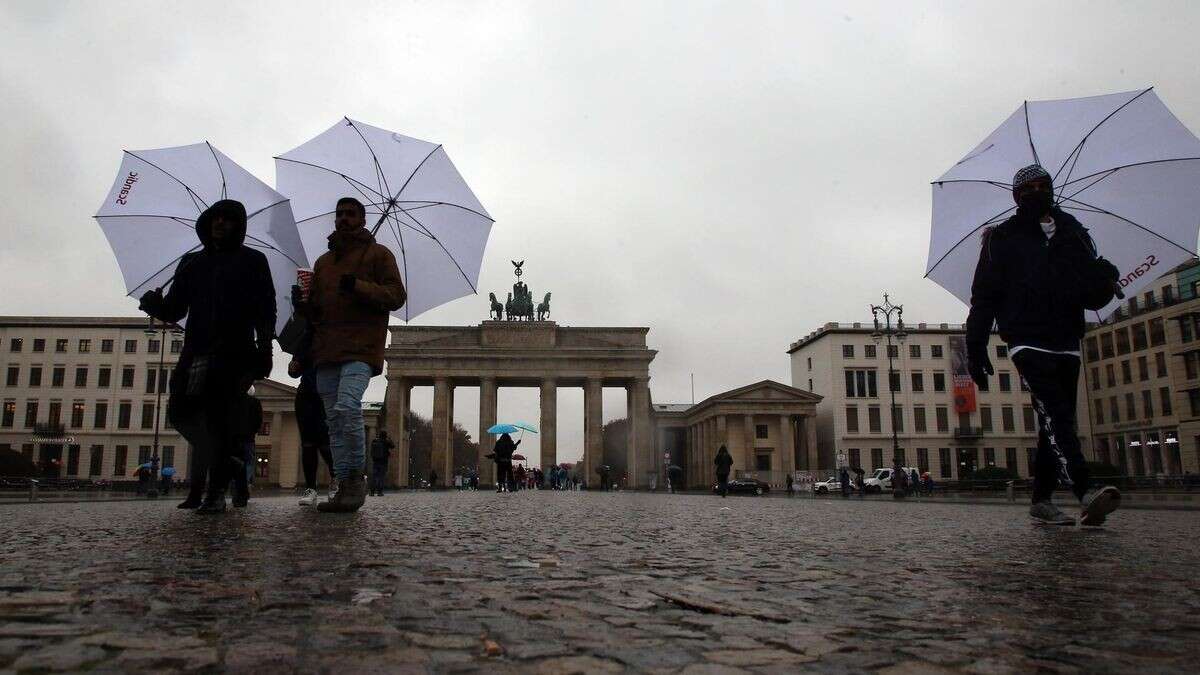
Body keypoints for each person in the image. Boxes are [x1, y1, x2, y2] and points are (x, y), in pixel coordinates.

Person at [967, 164, 1122, 526]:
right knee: (1055, 412)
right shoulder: (1001, 237)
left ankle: (1041, 500)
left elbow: (1092, 297)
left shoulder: (1074, 233)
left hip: (1067, 337)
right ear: (1016, 197)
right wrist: (976, 347)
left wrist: (1105, 277)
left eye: (1043, 186)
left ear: (1052, 189)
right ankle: (1085, 489)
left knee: (1055, 421)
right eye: (1028, 189)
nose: (1037, 193)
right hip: (1026, 338)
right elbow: (984, 297)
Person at [139, 199, 275, 514]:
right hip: (197, 348)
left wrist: (264, 348)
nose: (220, 223)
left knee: (220, 419)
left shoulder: (253, 260)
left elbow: (265, 309)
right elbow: (176, 309)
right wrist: (154, 306)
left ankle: (215, 493)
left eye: (228, 219)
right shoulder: (191, 263)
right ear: (207, 223)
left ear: (238, 226)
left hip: (236, 351)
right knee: (179, 410)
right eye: (216, 218)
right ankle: (230, 460)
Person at [292, 197, 406, 513]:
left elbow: (396, 296)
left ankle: (355, 479)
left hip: (361, 346)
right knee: (332, 421)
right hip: (326, 350)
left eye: (350, 214)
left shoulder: (379, 255)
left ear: (362, 219)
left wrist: (358, 285)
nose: (343, 218)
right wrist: (302, 305)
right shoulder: (323, 263)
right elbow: (317, 314)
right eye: (339, 213)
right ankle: (343, 484)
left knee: (346, 407)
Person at [290, 355, 333, 507]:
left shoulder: (330, 341)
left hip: (326, 395)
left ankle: (336, 481)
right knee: (308, 444)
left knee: (326, 444)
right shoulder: (304, 342)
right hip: (305, 396)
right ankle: (310, 488)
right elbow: (294, 373)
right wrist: (293, 366)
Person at [369, 430, 394, 497]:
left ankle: (372, 491)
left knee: (374, 476)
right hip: (383, 461)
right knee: (381, 477)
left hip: (375, 461)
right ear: (385, 435)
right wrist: (389, 439)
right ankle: (379, 492)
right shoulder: (386, 442)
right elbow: (393, 446)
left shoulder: (374, 441)